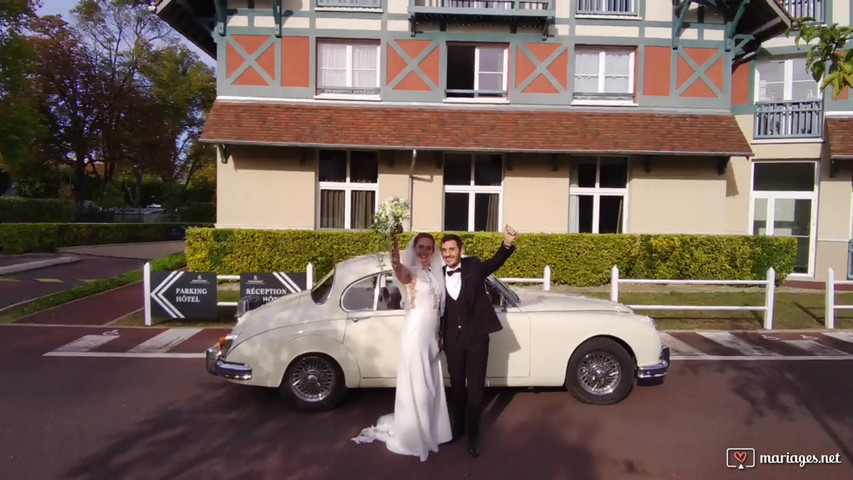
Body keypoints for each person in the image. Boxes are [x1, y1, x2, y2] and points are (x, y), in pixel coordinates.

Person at [351, 232, 452, 462]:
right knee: (418, 384)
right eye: (421, 247)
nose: (424, 252)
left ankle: (432, 430)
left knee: (431, 386)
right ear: (414, 249)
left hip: (431, 338)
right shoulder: (411, 273)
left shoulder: (435, 274)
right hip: (415, 337)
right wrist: (394, 254)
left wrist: (439, 335)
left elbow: (439, 309)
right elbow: (398, 270)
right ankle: (415, 435)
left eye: (429, 248)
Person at [440, 224, 517, 458]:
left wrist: (507, 243)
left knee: (475, 389)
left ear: (461, 250)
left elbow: (495, 262)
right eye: (444, 250)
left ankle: (473, 435)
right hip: (452, 340)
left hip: (477, 338)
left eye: (451, 249)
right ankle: (458, 428)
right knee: (457, 388)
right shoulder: (437, 273)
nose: (447, 254)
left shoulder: (473, 266)